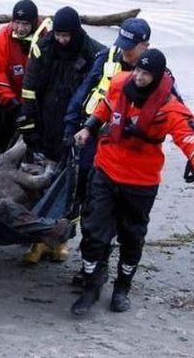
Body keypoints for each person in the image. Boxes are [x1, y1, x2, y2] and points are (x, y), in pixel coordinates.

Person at [70, 48, 194, 316]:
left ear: (157, 77)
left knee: (132, 237)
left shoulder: (169, 107)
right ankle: (91, 285)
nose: (138, 77)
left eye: (145, 74)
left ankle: (122, 288)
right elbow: (106, 106)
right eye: (137, 70)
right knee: (92, 232)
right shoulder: (119, 83)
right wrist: (88, 128)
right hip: (105, 169)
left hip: (140, 181)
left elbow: (190, 137)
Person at [63, 17, 151, 285]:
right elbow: (85, 92)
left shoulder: (155, 72)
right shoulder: (107, 56)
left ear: (145, 45)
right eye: (122, 44)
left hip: (129, 151)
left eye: (131, 46)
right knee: (91, 200)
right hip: (96, 139)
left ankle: (106, 265)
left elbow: (176, 111)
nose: (125, 51)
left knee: (121, 213)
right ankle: (93, 265)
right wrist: (71, 125)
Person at [18, 5, 105, 264]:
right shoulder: (43, 47)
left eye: (66, 36)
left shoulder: (94, 52)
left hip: (74, 129)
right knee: (41, 185)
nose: (62, 40)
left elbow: (99, 94)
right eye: (59, 35)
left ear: (76, 32)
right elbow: (30, 88)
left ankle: (61, 241)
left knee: (71, 189)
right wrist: (29, 127)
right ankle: (38, 241)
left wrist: (86, 129)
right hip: (45, 124)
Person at [0, 0, 41, 152]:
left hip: (34, 102)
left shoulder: (44, 38)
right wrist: (14, 105)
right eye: (17, 22)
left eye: (25, 24)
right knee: (3, 140)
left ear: (34, 23)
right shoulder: (0, 39)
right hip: (9, 101)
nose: (20, 28)